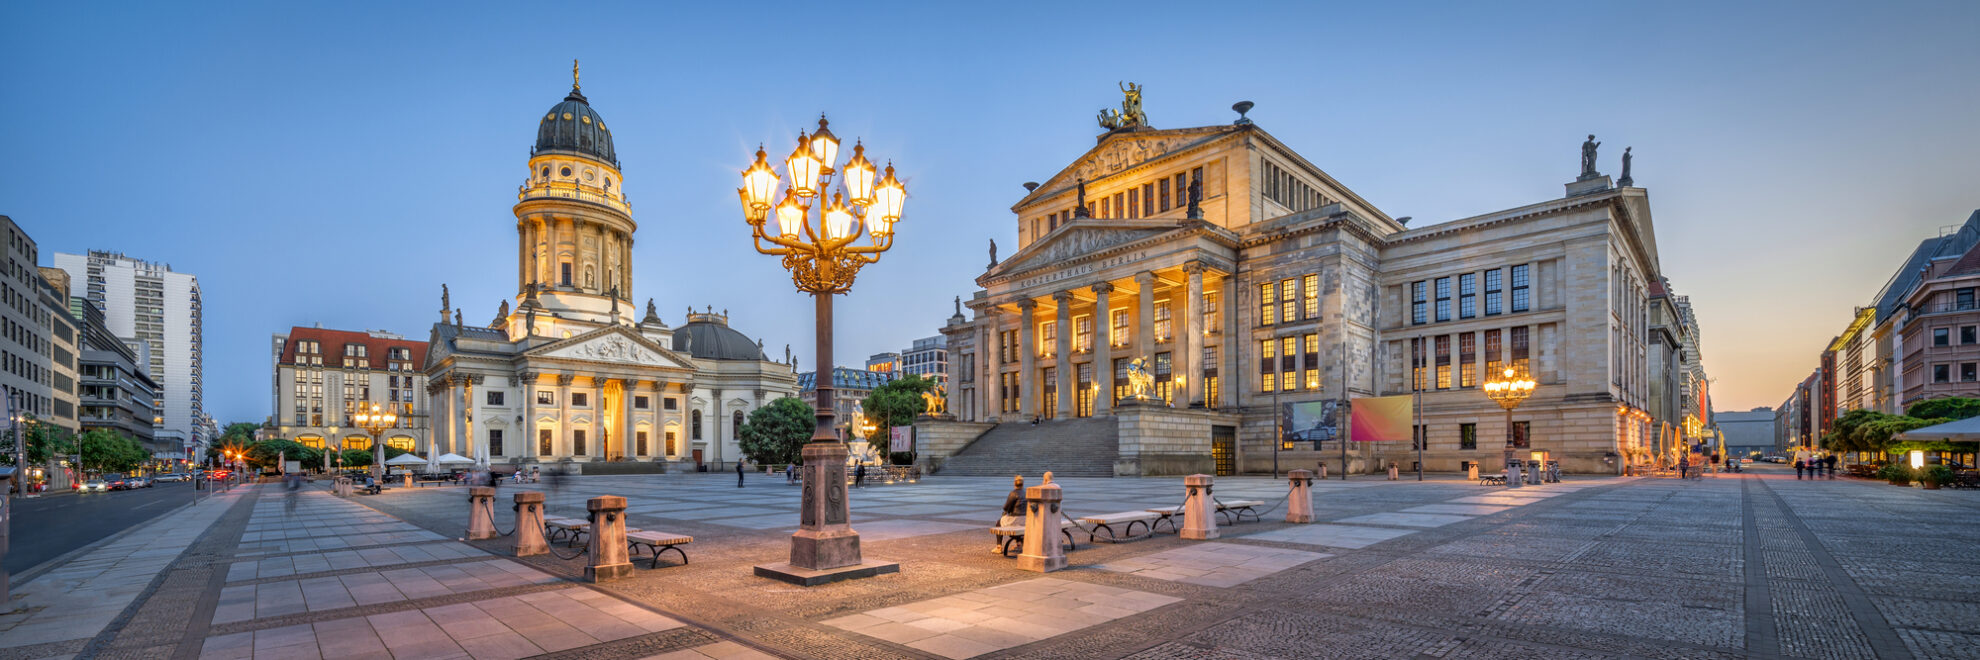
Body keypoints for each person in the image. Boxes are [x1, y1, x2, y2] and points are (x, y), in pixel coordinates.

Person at [995, 475, 1026, 553]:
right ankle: (1018, 544)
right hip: (1026, 520)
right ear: (1023, 484)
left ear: (1014, 483)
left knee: (999, 522)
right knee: (1017, 526)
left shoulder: (1013, 493)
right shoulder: (1026, 493)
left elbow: (1006, 508)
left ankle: (999, 547)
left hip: (1016, 519)